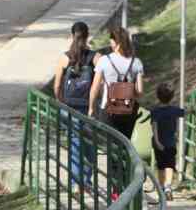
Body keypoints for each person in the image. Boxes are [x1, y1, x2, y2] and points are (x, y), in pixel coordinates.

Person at [89, 27, 144, 200]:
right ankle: (128, 184)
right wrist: (128, 93)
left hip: (109, 110)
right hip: (128, 111)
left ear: (117, 42)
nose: (110, 44)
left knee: (113, 149)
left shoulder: (104, 61)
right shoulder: (136, 62)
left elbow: (95, 88)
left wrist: (91, 107)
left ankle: (116, 189)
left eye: (112, 41)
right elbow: (140, 91)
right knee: (125, 148)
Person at [53, 21, 100, 191]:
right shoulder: (96, 57)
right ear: (87, 36)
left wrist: (60, 102)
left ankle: (75, 182)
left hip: (69, 106)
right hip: (88, 106)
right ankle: (86, 181)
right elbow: (100, 83)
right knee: (89, 144)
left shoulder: (65, 58)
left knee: (74, 143)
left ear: (72, 35)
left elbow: (57, 86)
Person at [150, 83, 185, 201]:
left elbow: (154, 127)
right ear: (172, 96)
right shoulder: (174, 111)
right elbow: (186, 112)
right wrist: (192, 108)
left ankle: (160, 188)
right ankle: (168, 187)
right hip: (171, 143)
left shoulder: (155, 112)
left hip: (158, 143)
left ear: (157, 96)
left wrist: (157, 141)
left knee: (160, 166)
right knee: (170, 165)